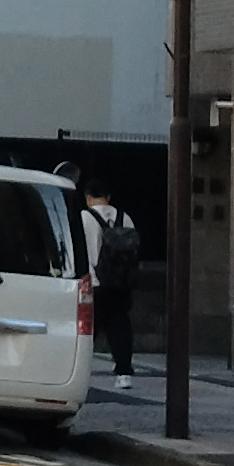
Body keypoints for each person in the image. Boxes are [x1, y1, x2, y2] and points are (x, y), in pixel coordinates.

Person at [57, 162, 142, 390]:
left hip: (96, 282)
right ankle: (124, 373)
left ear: (87, 197)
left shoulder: (85, 218)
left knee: (89, 329)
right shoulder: (126, 217)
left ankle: (80, 372)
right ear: (108, 196)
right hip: (122, 282)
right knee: (121, 327)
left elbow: (86, 252)